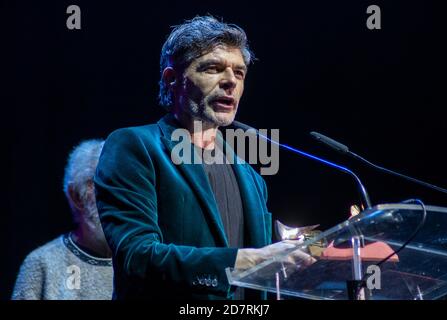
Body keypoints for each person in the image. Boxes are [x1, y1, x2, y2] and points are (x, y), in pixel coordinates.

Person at [94, 16, 314, 300]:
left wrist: (332, 250)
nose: (230, 82)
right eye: (213, 68)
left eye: (239, 72)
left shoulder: (251, 177)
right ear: (172, 80)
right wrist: (243, 260)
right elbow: (137, 257)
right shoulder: (135, 146)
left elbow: (269, 260)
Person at [12, 140, 113, 300]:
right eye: (105, 184)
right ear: (77, 197)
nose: (119, 196)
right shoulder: (42, 263)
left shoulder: (146, 260)